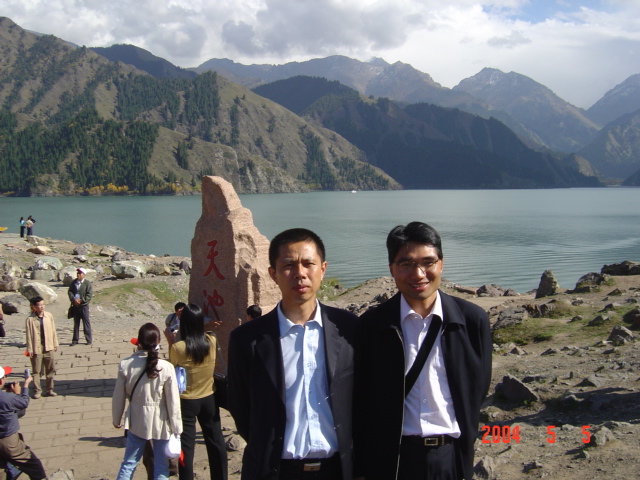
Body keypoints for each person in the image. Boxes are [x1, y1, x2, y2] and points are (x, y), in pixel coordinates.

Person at [353, 222, 492, 480]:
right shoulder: (372, 326)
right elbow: (361, 398)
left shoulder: (472, 321)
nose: (418, 274)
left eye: (428, 262)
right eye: (406, 264)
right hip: (392, 459)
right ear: (392, 269)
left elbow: (477, 388)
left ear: (441, 264)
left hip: (451, 457)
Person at [228, 228, 358, 480]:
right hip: (275, 471)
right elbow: (240, 407)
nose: (300, 273)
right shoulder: (247, 339)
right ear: (273, 274)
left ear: (323, 269)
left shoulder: (349, 329)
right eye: (288, 265)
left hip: (339, 470)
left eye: (308, 263)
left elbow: (363, 400)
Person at [112, 323, 182, 480]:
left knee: (129, 463)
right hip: (161, 422)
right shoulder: (166, 367)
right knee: (161, 465)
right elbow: (173, 401)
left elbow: (118, 396)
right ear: (158, 342)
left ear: (139, 342)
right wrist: (177, 427)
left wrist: (117, 419)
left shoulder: (126, 365)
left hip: (136, 419)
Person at [168, 304, 227, 480]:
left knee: (186, 447)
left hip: (186, 400)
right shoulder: (212, 340)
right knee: (216, 442)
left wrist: (170, 340)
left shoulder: (178, 347)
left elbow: (172, 370)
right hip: (209, 396)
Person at [0, 366, 47, 480]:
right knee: (32, 465)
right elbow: (23, 404)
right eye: (5, 377)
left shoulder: (6, 398)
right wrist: (24, 388)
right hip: (8, 440)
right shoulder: (7, 398)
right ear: (1, 381)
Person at [25, 297, 59, 399]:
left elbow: (53, 330)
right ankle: (37, 390)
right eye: (39, 305)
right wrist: (30, 349)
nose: (42, 307)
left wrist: (55, 343)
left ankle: (50, 389)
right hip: (37, 347)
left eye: (43, 304)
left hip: (49, 346)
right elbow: (28, 336)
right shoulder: (30, 319)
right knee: (36, 371)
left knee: (50, 369)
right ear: (34, 307)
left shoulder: (49, 316)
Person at [68, 267, 93, 345]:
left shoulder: (87, 283)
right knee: (76, 323)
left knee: (86, 323)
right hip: (76, 306)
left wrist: (82, 300)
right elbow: (70, 292)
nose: (78, 274)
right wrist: (73, 299)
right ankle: (75, 340)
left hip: (84, 306)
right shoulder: (74, 283)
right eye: (77, 273)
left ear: (84, 275)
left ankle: (88, 340)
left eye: (80, 273)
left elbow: (89, 295)